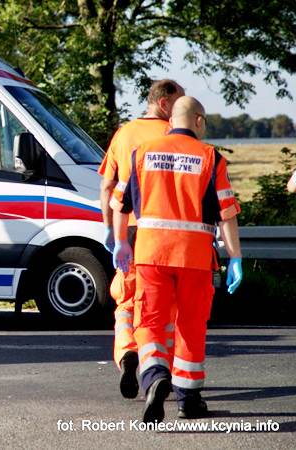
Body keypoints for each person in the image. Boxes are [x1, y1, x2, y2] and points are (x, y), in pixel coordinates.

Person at [111, 96, 243, 422]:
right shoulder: (211, 157)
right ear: (198, 121)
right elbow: (226, 215)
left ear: (171, 121)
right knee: (191, 324)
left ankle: (155, 376)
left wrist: (120, 243)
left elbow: (118, 204)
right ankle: (188, 400)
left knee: (151, 321)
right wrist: (236, 257)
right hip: (195, 256)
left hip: (150, 254)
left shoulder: (141, 153)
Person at [98, 79, 184, 399]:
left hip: (128, 229)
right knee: (159, 304)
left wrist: (110, 230)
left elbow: (107, 188)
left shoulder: (123, 134)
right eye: (180, 103)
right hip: (162, 231)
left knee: (125, 300)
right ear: (164, 104)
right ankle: (157, 366)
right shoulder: (171, 135)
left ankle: (127, 355)